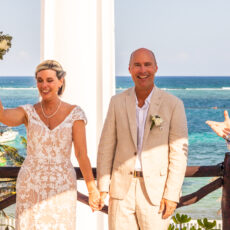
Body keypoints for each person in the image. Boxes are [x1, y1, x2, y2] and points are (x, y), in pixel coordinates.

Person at [0, 60, 100, 229]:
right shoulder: (28, 112)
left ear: (61, 82)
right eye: (40, 80)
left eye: (49, 80)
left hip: (62, 187)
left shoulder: (75, 113)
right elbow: (3, 116)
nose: (44, 85)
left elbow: (81, 155)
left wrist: (92, 189)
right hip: (30, 186)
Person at [97, 48, 188, 230]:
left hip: (156, 192)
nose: (142, 70)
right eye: (137, 65)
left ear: (155, 68)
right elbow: (106, 146)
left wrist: (171, 194)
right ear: (130, 69)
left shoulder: (173, 104)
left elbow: (179, 153)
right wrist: (103, 187)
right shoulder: (117, 102)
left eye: (147, 64)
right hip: (121, 191)